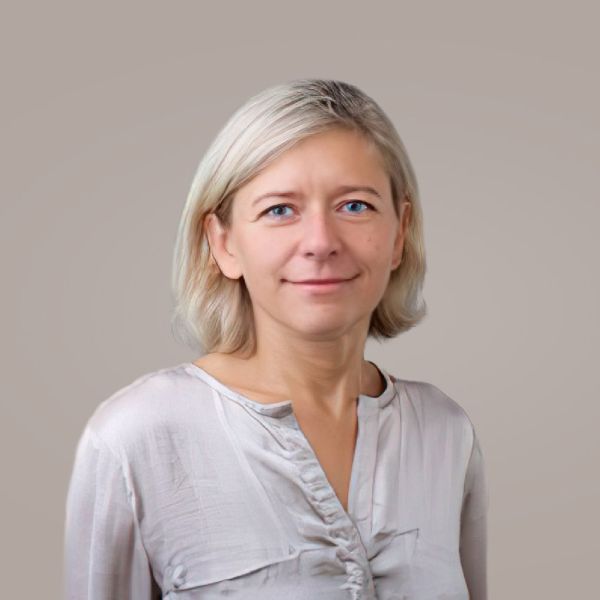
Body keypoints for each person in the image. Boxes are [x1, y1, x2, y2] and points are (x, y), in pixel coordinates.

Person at [64, 79, 488, 599]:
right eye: (279, 210)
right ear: (223, 243)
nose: (321, 243)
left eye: (355, 205)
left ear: (399, 233)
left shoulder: (446, 432)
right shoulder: (137, 439)